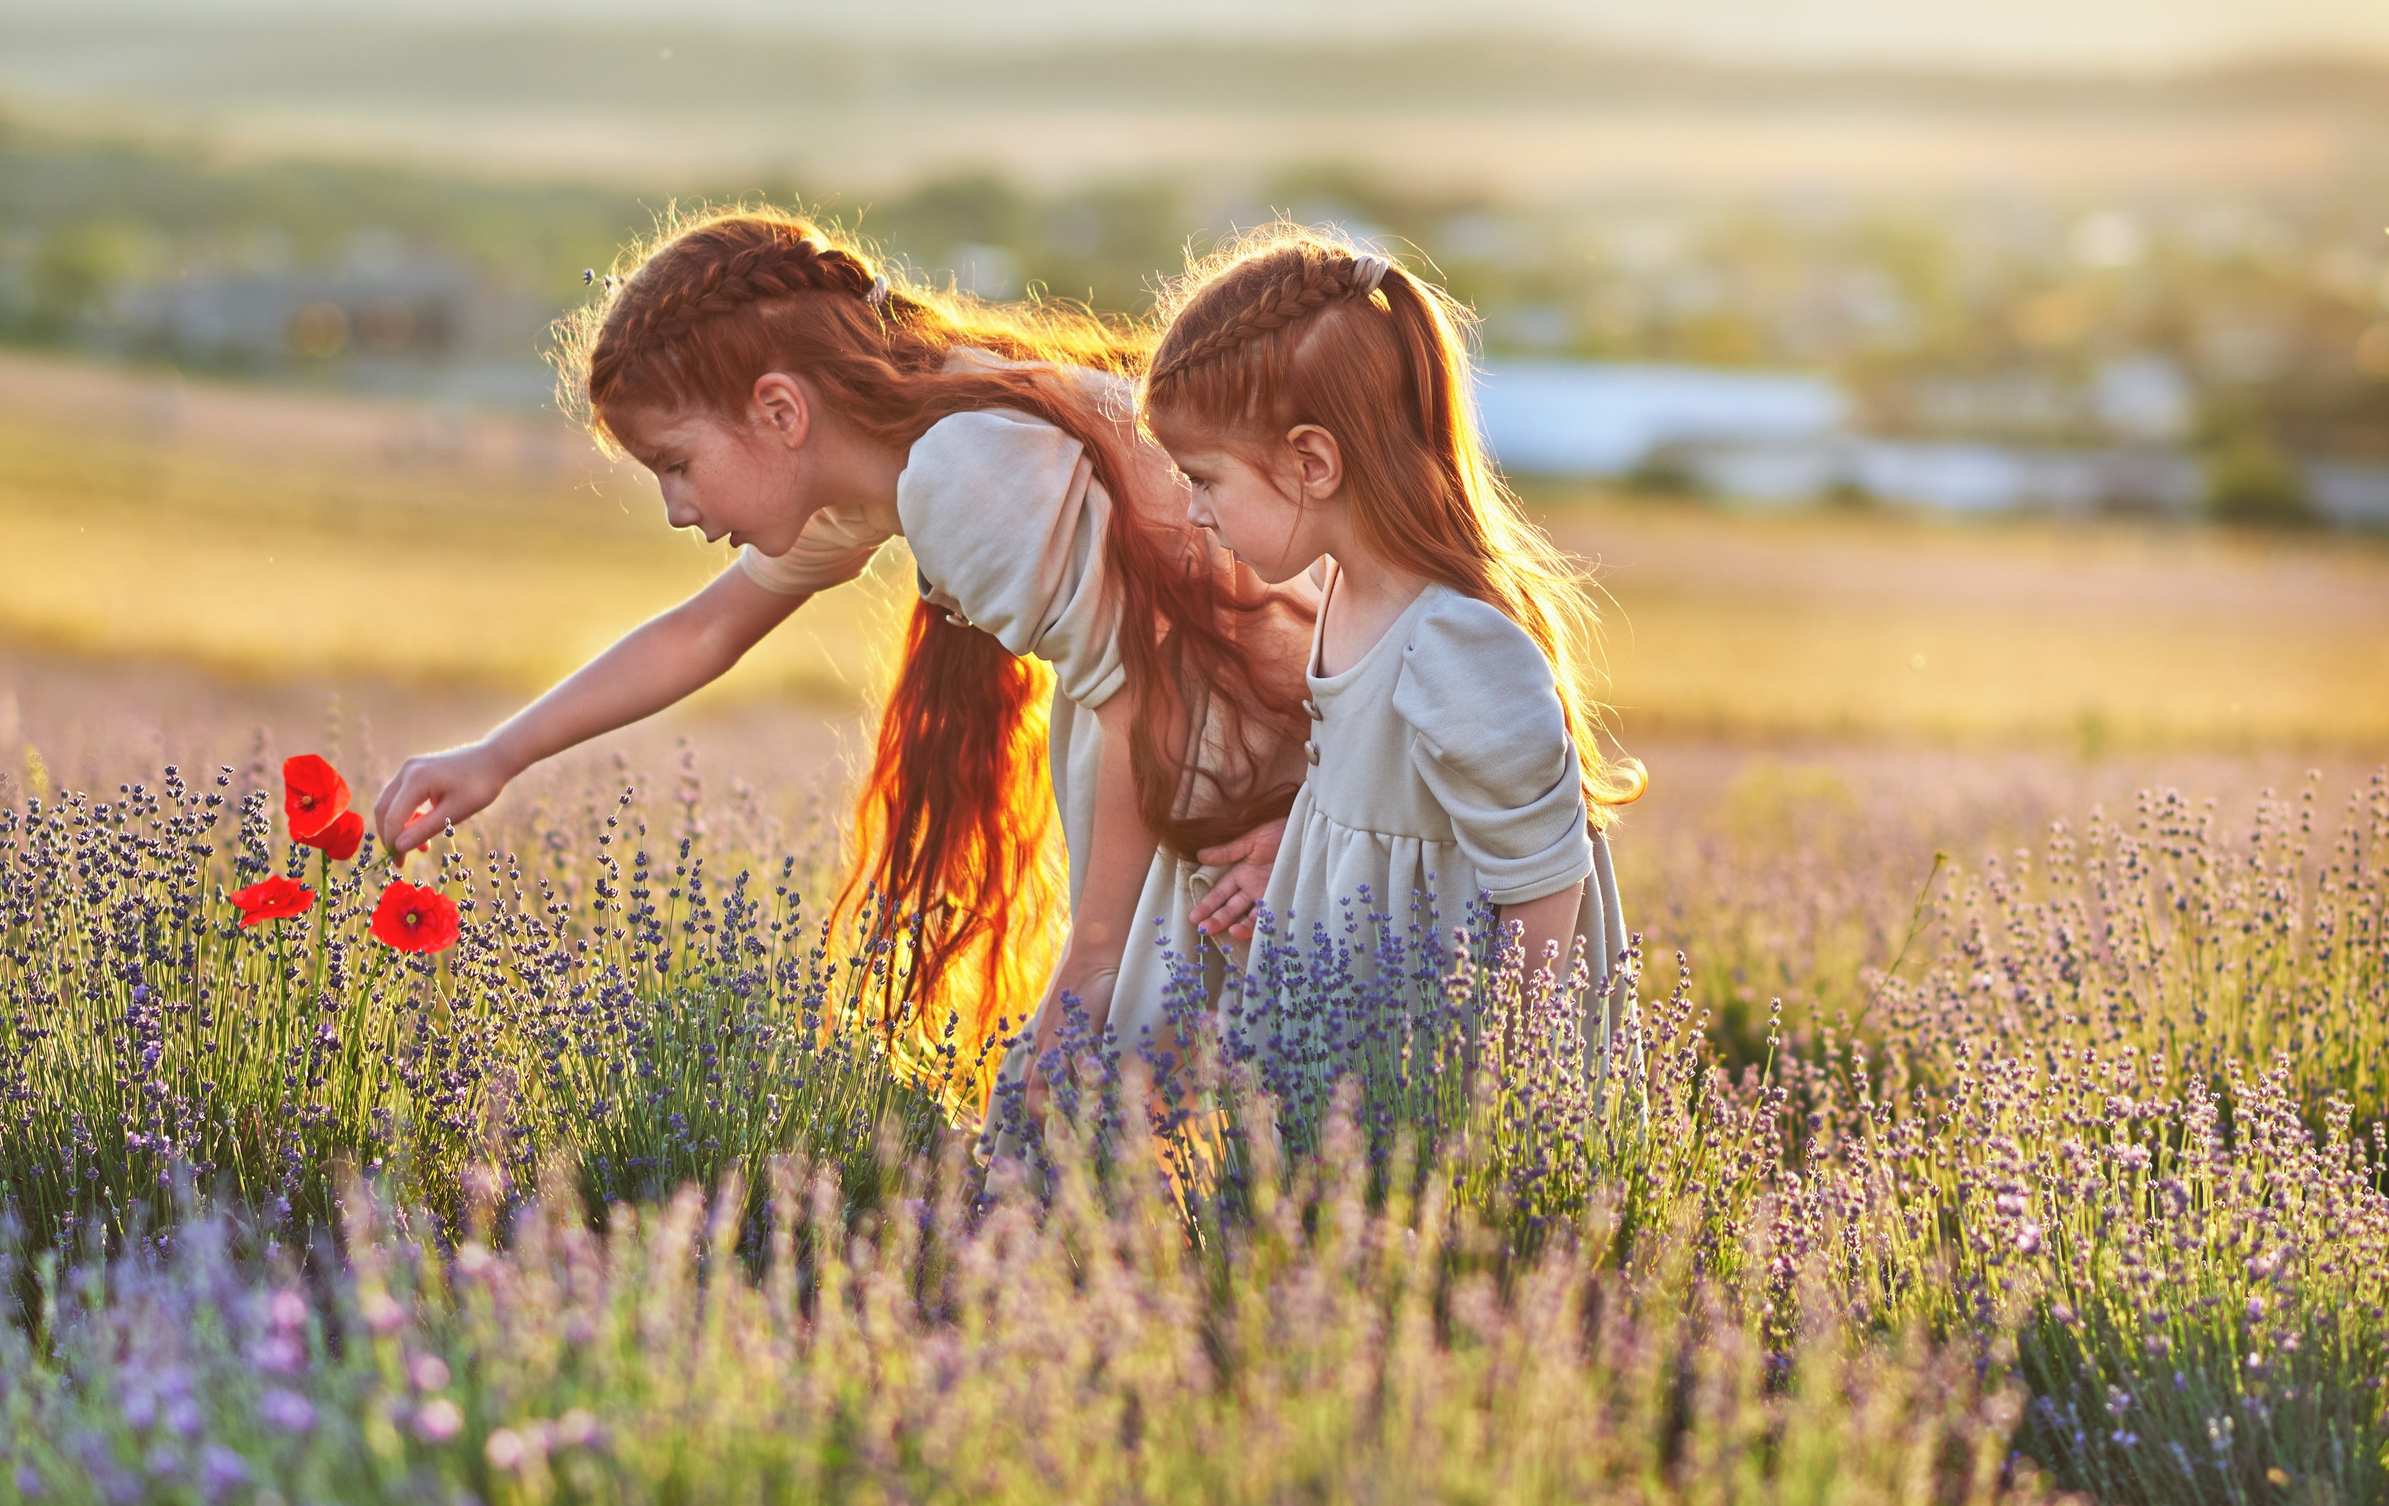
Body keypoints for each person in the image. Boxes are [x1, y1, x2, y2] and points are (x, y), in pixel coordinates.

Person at [372, 207, 1310, 1110]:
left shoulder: (961, 473)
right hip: (1239, 781)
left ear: (780, 410)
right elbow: (704, 630)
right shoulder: (890, 464)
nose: (674, 508)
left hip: (1265, 775)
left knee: (1173, 1115)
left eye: (676, 463)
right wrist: (497, 756)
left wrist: (1090, 968)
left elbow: (1146, 703)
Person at [1138, 226, 1643, 1034]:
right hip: (1354, 1031)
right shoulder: (1343, 587)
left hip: (1447, 1076)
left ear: (1312, 464)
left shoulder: (1454, 642)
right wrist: (1307, 851)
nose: (1194, 511)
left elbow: (1544, 888)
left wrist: (1500, 1107)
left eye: (1205, 479)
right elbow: (1391, 806)